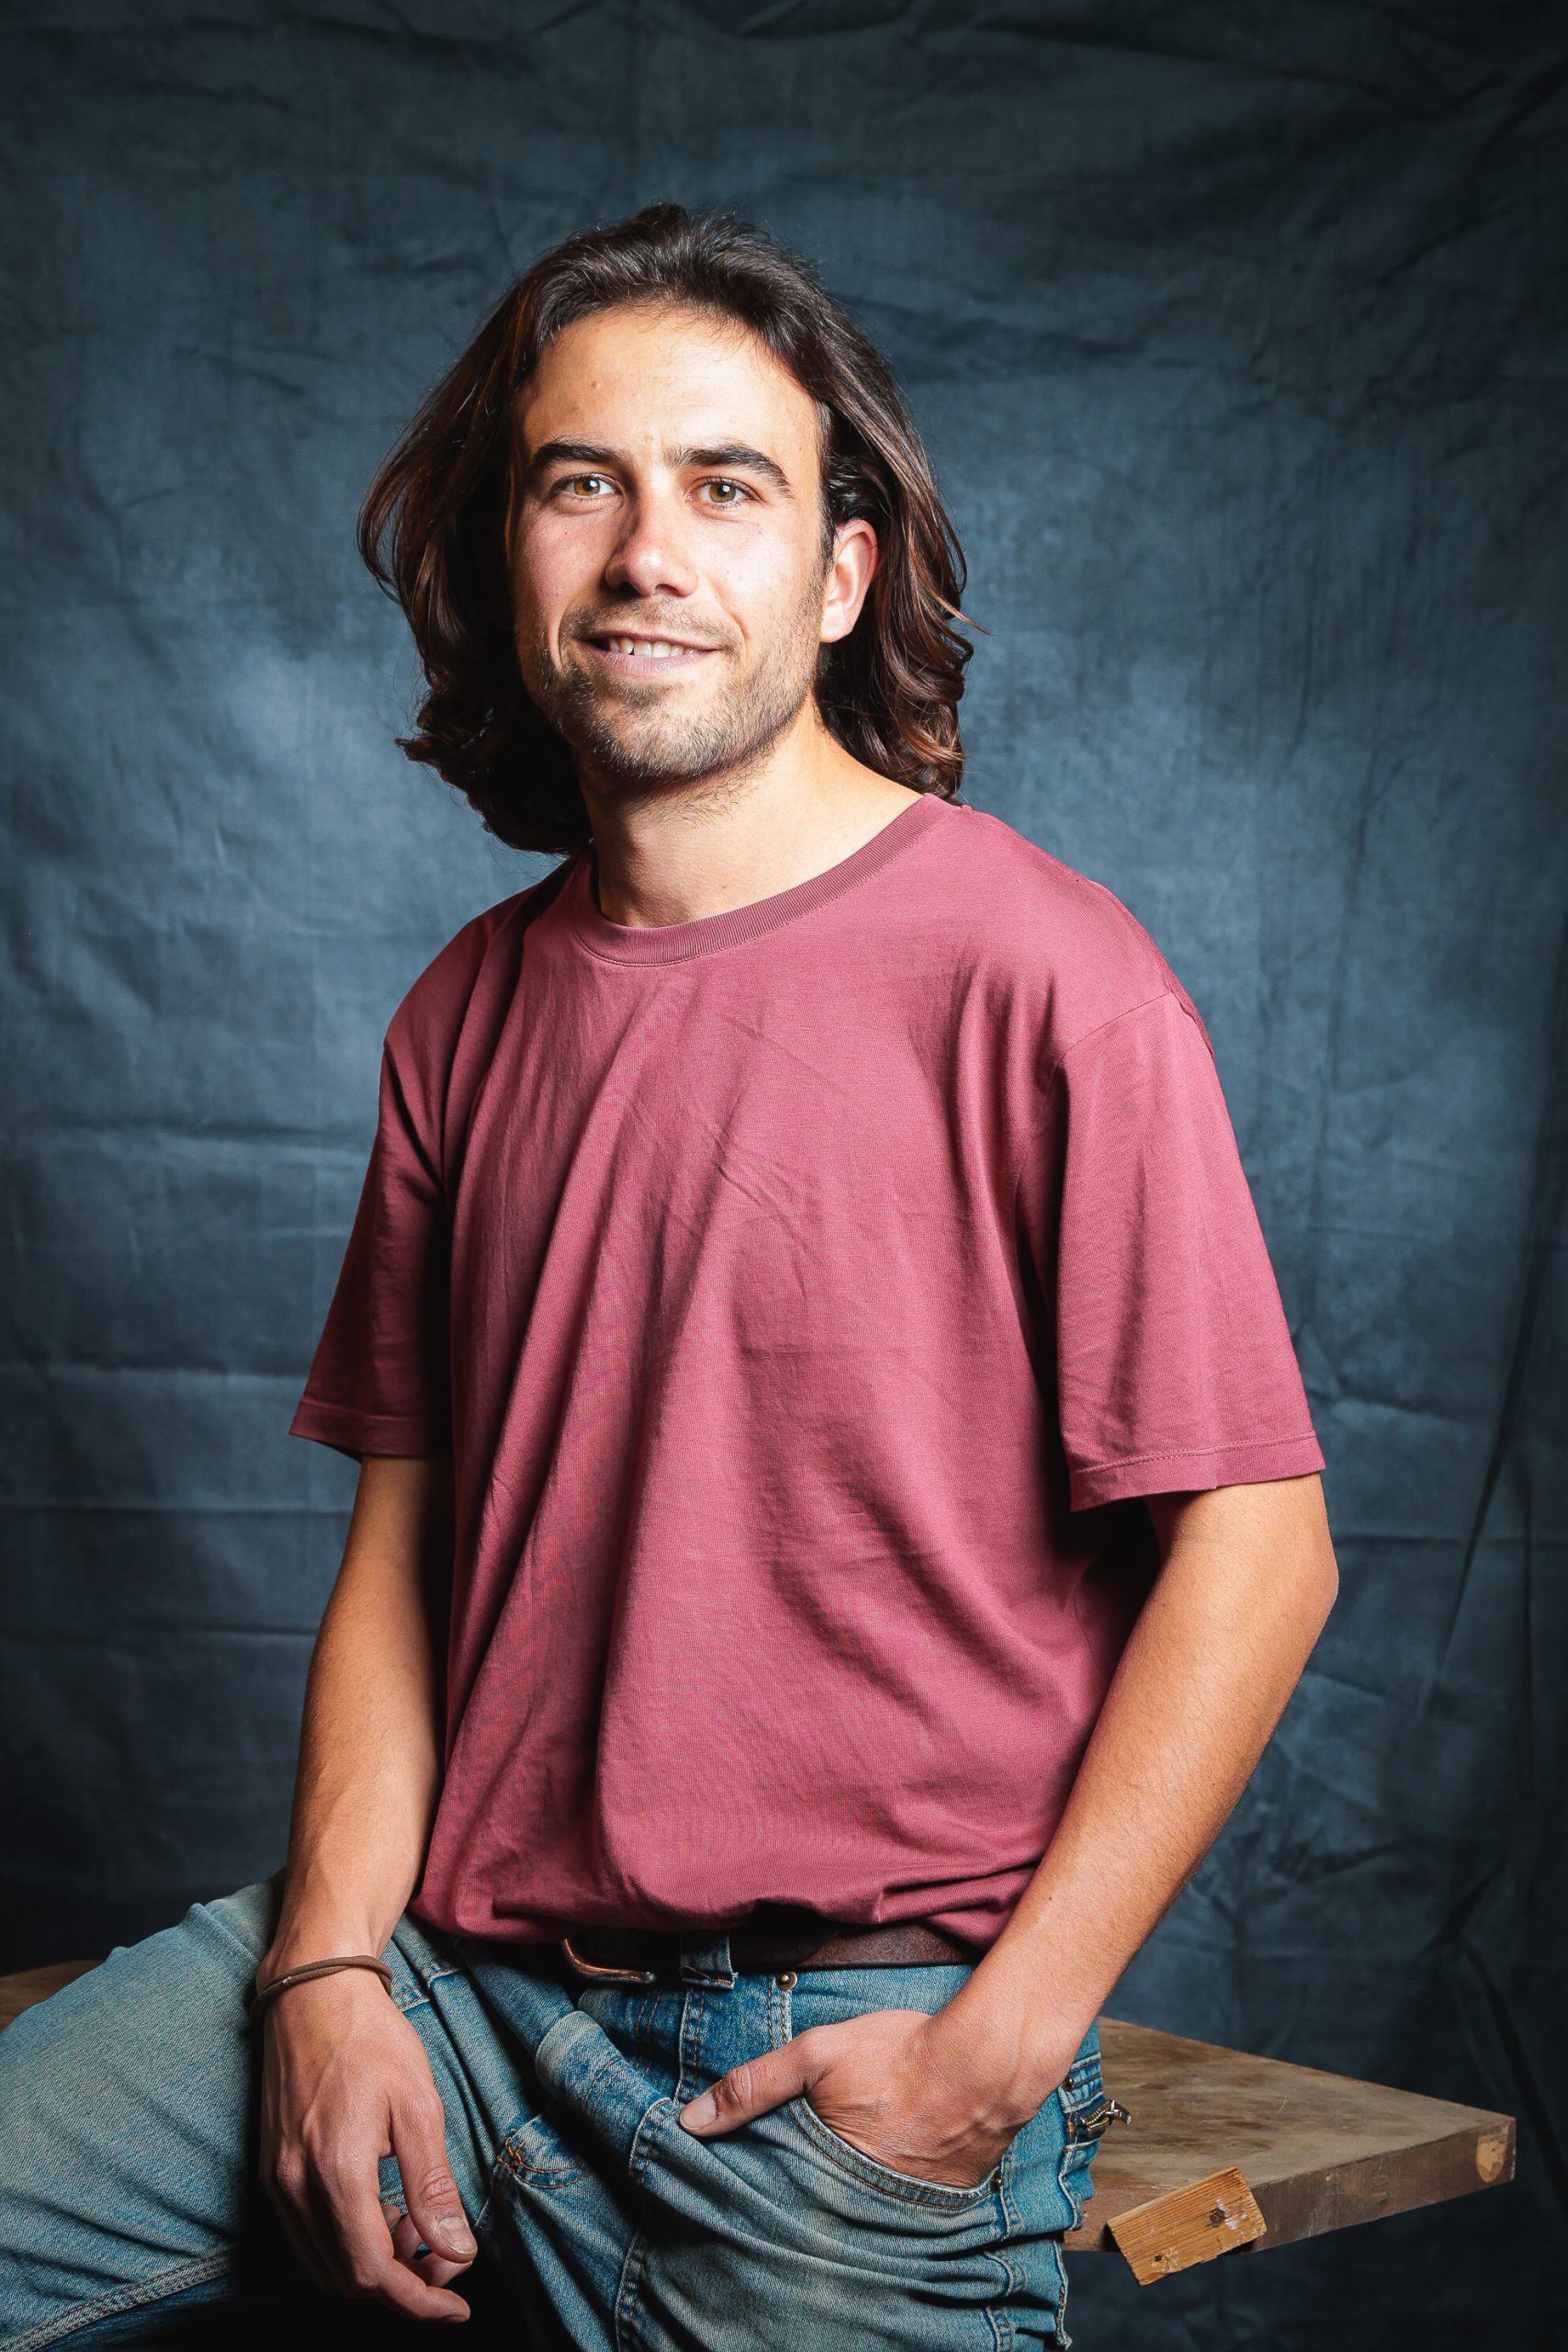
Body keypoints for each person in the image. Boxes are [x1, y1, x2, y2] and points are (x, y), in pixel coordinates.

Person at [0, 202, 1337, 2352]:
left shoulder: (1040, 976)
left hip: (837, 2051)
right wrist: (325, 1967)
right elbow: (401, 1562)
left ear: (838, 575)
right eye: (580, 483)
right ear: (508, 555)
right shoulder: (462, 1012)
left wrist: (985, 2057)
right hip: (453, 1975)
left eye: (724, 486)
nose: (645, 551)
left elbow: (1260, 1554)